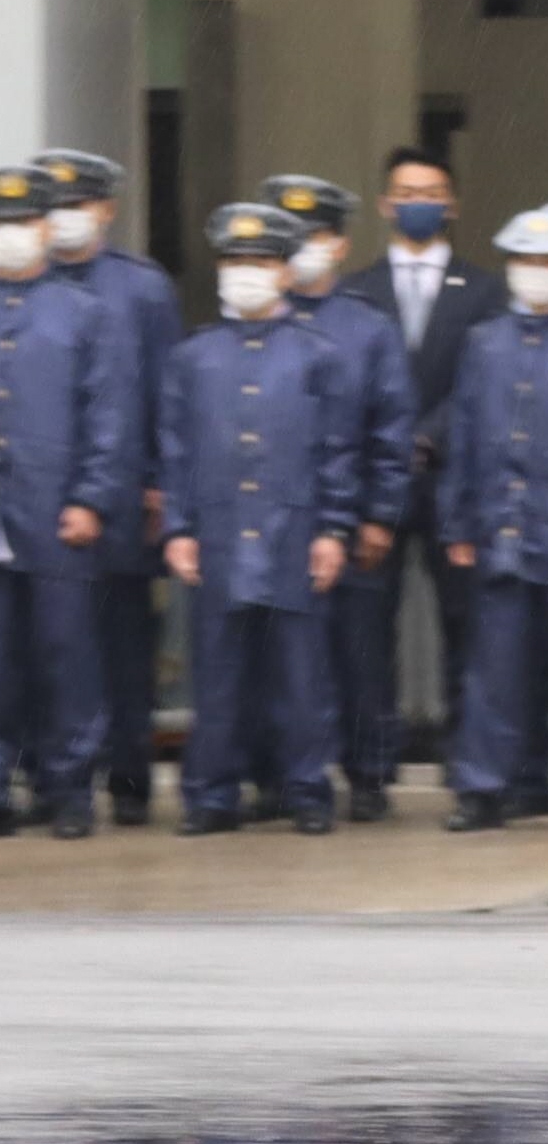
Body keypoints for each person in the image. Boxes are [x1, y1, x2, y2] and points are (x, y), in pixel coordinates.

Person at [0, 165, 139, 833]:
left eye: (24, 222)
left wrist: (92, 498)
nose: (13, 235)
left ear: (46, 226)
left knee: (65, 658)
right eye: (1, 223)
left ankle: (69, 789)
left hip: (57, 517)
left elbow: (109, 417)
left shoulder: (83, 313)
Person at [162, 204, 359, 836]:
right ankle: (211, 795)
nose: (246, 274)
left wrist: (332, 529)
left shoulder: (317, 355)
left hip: (293, 533)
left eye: (260, 263)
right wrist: (179, 527)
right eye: (235, 263)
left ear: (283, 271)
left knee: (302, 676)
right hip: (217, 533)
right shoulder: (194, 356)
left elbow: (337, 449)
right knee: (217, 676)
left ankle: (306, 792)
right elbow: (175, 449)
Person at [258, 174, 419, 820]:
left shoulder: (368, 328)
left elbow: (392, 428)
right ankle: (278, 776)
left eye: (314, 233)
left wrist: (380, 513)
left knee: (360, 655)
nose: (301, 246)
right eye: (287, 235)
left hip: (349, 521)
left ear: (341, 244)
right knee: (277, 661)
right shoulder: (251, 324)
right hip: (271, 521)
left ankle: (369, 773)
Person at [34, 148, 180, 822]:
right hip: (40, 504)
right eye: (55, 205)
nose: (67, 218)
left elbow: (165, 395)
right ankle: (55, 779)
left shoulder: (141, 288)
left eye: (79, 203)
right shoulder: (27, 286)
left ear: (107, 209)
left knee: (123, 648)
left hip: (124, 503)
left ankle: (128, 780)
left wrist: (158, 486)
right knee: (54, 650)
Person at [384, 151, 502, 799]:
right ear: (385, 204)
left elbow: (481, 383)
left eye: (431, 191)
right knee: (368, 632)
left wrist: (429, 432)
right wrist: (390, 439)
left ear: (452, 204)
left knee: (467, 624)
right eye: (406, 191)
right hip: (378, 483)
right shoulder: (359, 287)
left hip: (454, 480)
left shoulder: (484, 291)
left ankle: (467, 760)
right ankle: (371, 769)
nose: (419, 201)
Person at [437, 206, 548, 829]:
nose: (534, 273)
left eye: (544, 263)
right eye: (525, 261)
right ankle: (482, 786)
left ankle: (536, 778)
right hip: (503, 527)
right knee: (496, 667)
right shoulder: (485, 342)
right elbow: (466, 435)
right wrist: (457, 524)